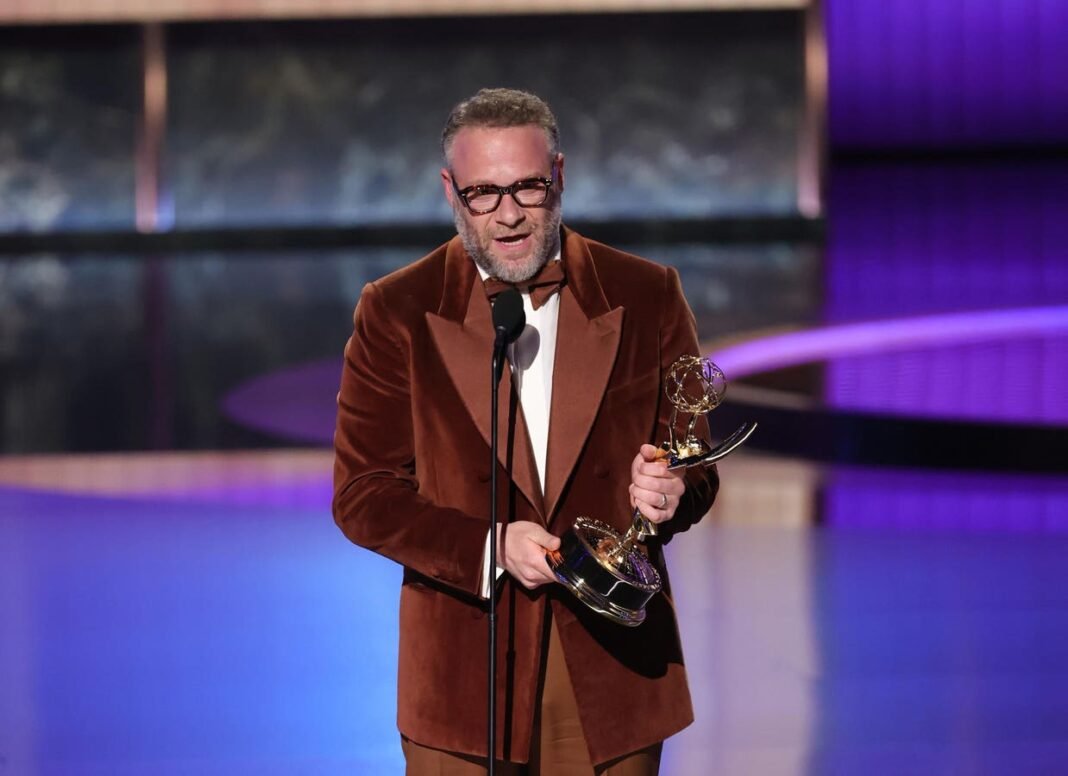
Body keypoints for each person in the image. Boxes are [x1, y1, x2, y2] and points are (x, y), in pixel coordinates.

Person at [333, 88, 718, 775]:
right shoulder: (396, 310)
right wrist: (489, 546)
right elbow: (363, 494)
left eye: (527, 187)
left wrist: (672, 493)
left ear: (559, 176)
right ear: (451, 191)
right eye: (483, 193)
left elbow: (696, 464)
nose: (508, 214)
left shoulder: (646, 293)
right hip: (464, 669)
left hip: (611, 664)